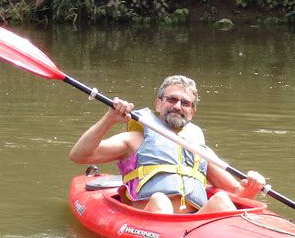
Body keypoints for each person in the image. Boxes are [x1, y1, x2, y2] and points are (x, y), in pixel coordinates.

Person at [70, 75, 266, 214]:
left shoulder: (200, 150)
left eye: (185, 103)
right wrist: (109, 119)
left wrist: (253, 185)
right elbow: (80, 155)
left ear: (192, 112)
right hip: (152, 221)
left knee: (222, 200)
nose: (178, 106)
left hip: (195, 226)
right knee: (160, 200)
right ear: (158, 104)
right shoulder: (134, 140)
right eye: (171, 99)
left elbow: (239, 193)